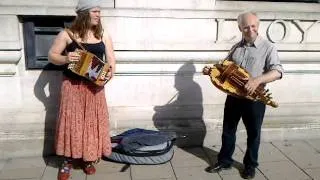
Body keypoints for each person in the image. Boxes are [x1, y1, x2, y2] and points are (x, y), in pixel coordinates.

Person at [203, 11, 284, 179]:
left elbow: (277, 71)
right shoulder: (236, 47)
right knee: (228, 131)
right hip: (233, 98)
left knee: (253, 134)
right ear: (240, 27)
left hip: (254, 99)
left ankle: (250, 166)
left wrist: (257, 80)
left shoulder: (268, 48)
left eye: (253, 26)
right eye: (246, 27)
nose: (250, 29)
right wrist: (211, 71)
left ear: (258, 26)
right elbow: (223, 67)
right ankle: (225, 161)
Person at [48, 0, 116, 179]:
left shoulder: (103, 34)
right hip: (72, 87)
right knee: (71, 123)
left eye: (99, 11)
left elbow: (111, 59)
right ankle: (67, 161)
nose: (98, 15)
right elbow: (52, 56)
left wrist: (108, 75)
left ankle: (88, 158)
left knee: (91, 123)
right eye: (94, 11)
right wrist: (66, 58)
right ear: (84, 13)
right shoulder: (67, 34)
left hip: (95, 89)